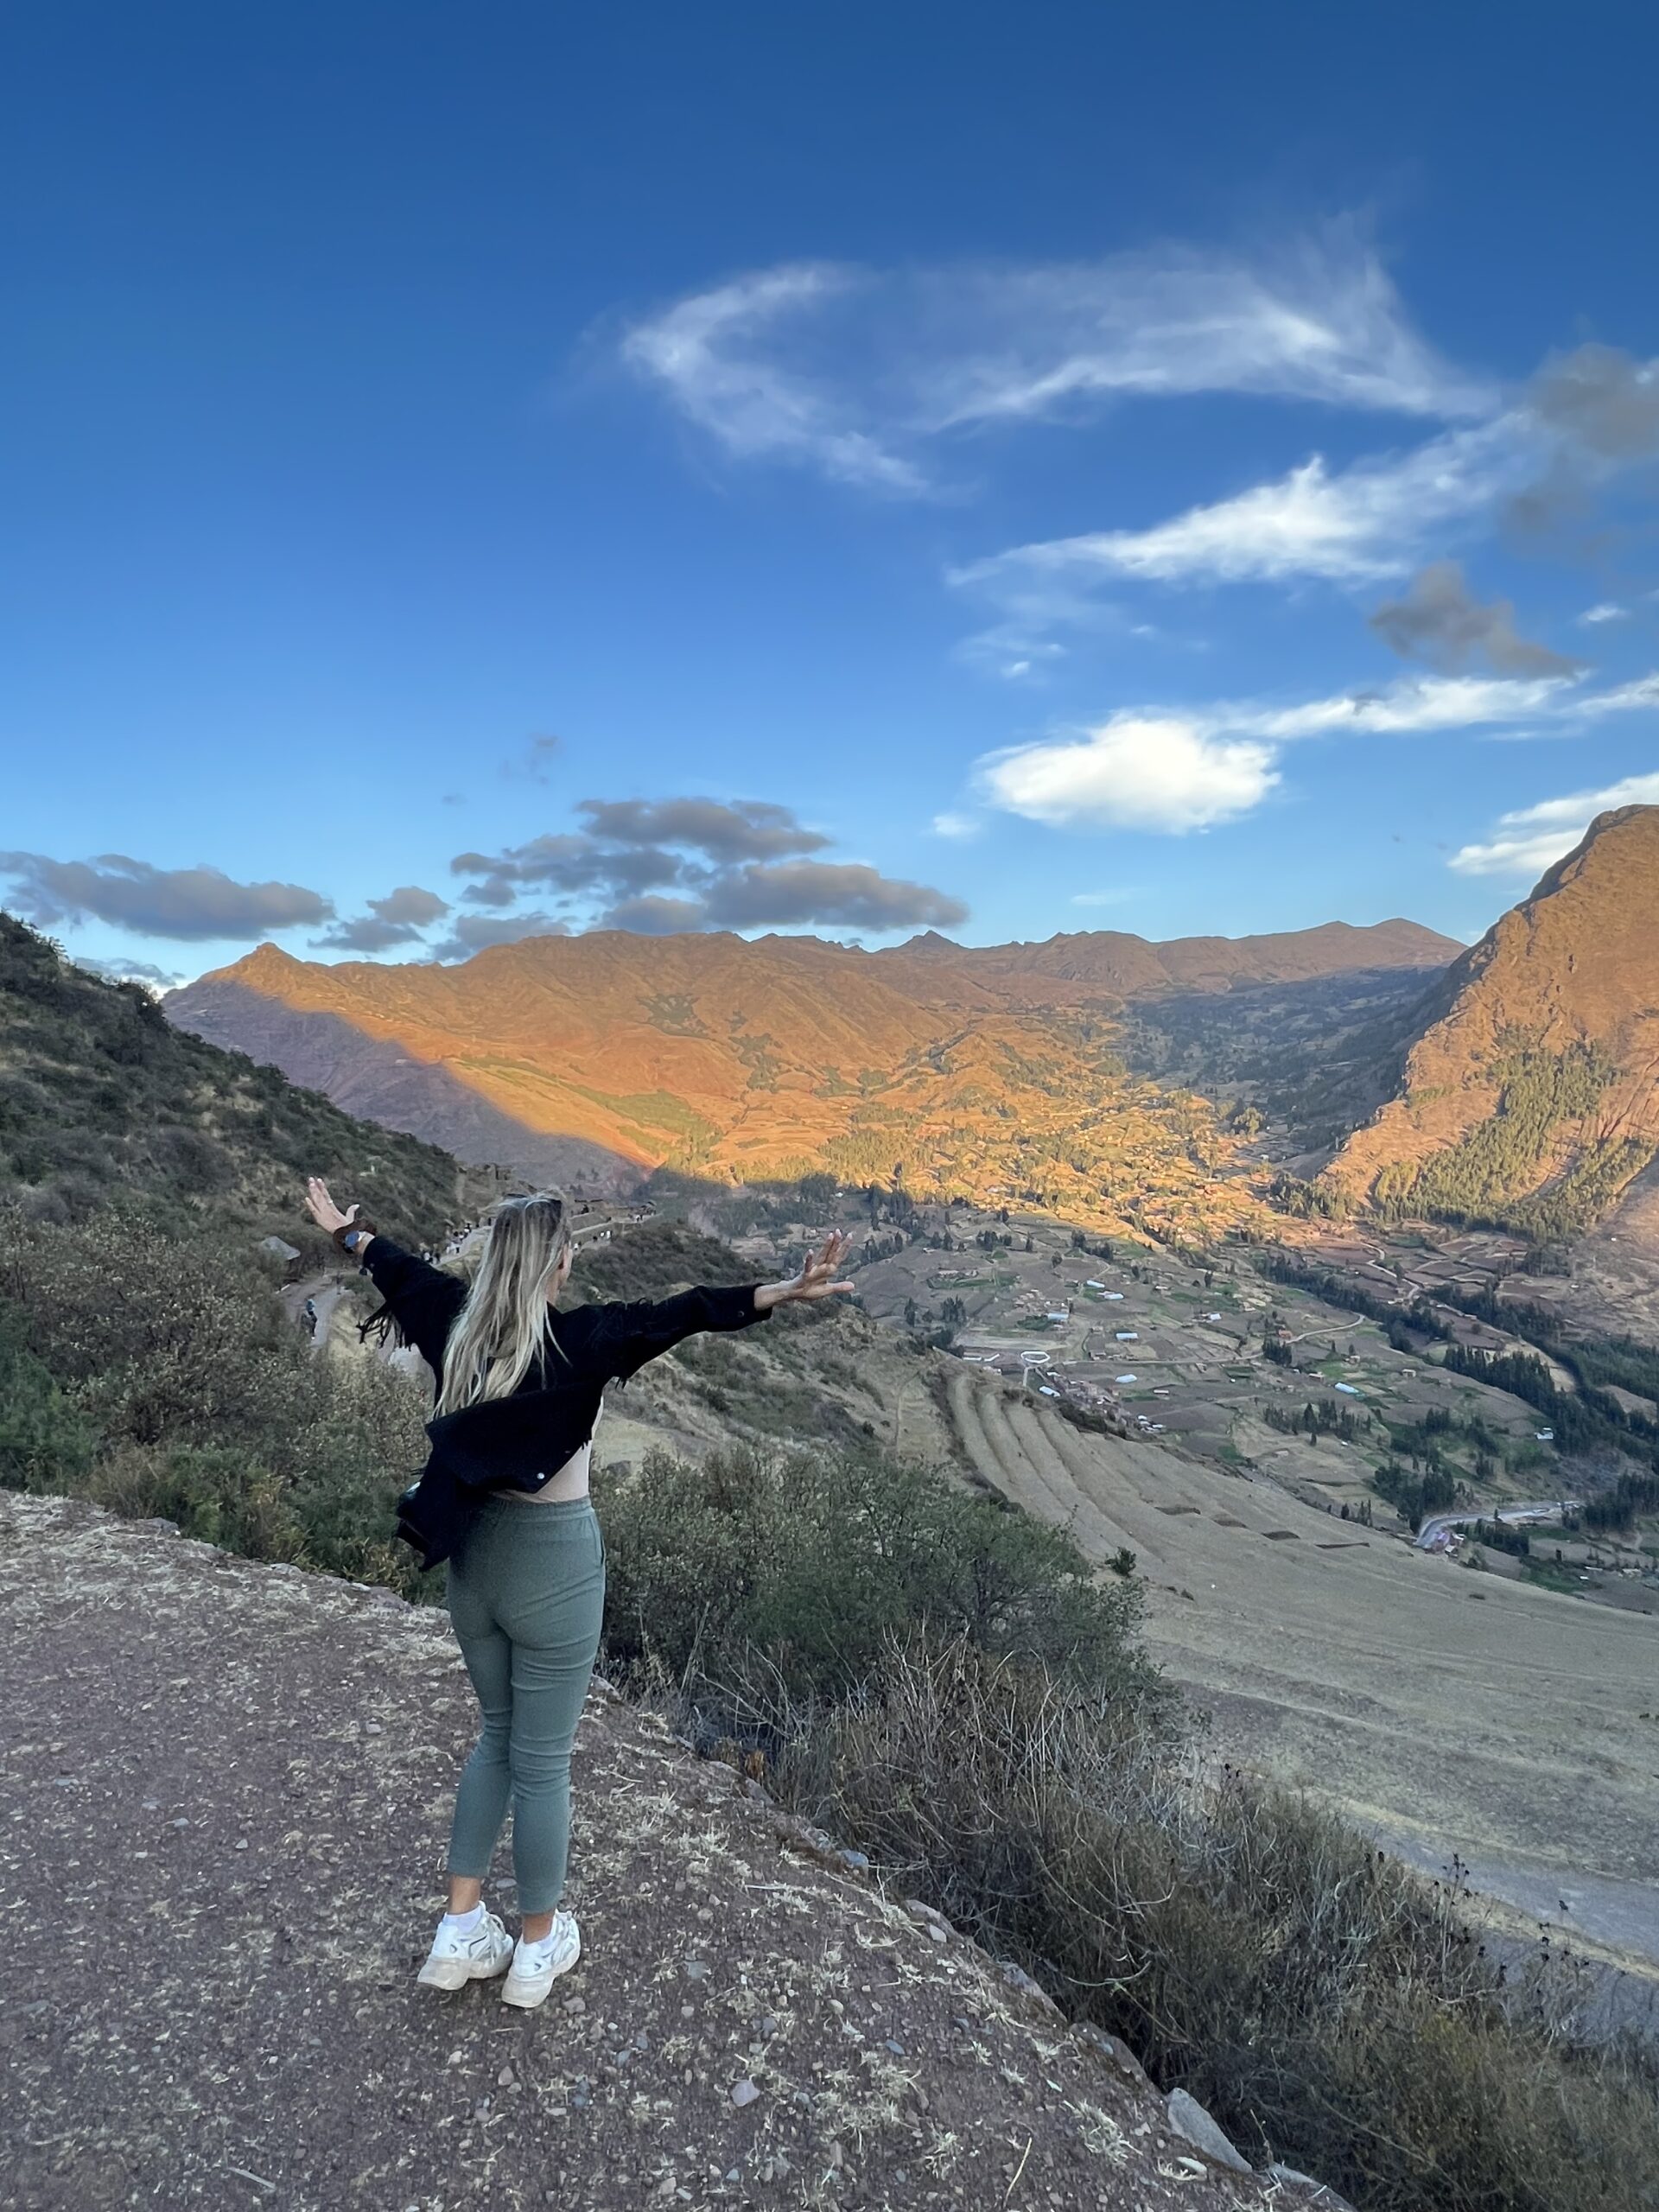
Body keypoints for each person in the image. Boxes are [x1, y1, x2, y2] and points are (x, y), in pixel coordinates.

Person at [301, 1175, 852, 2010]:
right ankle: (534, 1949)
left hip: (472, 1568)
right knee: (544, 1762)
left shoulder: (450, 1319)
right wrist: (784, 1290)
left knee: (495, 1738)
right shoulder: (584, 1340)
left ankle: (458, 1933)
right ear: (560, 1263)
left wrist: (348, 1233)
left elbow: (394, 1264)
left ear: (495, 1261)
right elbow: (685, 1310)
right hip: (554, 1570)